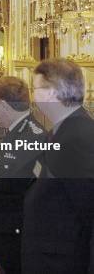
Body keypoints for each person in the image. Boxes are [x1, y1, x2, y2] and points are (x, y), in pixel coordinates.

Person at [22, 58, 94, 273]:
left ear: (51, 92)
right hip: (52, 254)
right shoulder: (63, 130)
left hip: (62, 260)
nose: (33, 96)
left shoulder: (76, 136)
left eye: (35, 88)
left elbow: (88, 209)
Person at [0, 76, 46, 274]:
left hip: (18, 231)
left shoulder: (31, 136)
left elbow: (31, 190)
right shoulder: (17, 132)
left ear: (3, 105)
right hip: (7, 228)